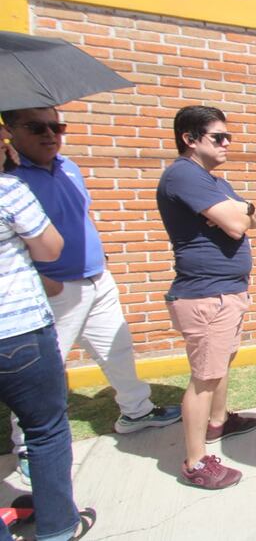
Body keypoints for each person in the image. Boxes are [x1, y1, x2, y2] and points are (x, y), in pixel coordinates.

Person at [2, 107, 181, 477]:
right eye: (37, 127)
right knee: (41, 374)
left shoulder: (68, 166)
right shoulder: (11, 179)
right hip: (52, 290)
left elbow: (79, 217)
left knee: (118, 350)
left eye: (57, 126)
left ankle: (137, 411)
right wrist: (43, 279)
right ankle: (28, 448)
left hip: (97, 279)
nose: (50, 134)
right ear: (10, 130)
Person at [156, 106, 256, 490]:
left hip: (226, 292)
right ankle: (196, 462)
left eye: (228, 136)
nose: (227, 143)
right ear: (190, 138)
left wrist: (243, 210)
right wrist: (237, 214)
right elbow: (236, 226)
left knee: (220, 364)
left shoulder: (214, 181)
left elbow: (255, 219)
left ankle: (218, 422)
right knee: (204, 377)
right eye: (218, 137)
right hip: (206, 295)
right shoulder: (183, 175)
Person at [0, 136, 95, 541]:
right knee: (46, 428)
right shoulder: (9, 188)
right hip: (15, 330)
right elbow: (51, 247)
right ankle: (58, 527)